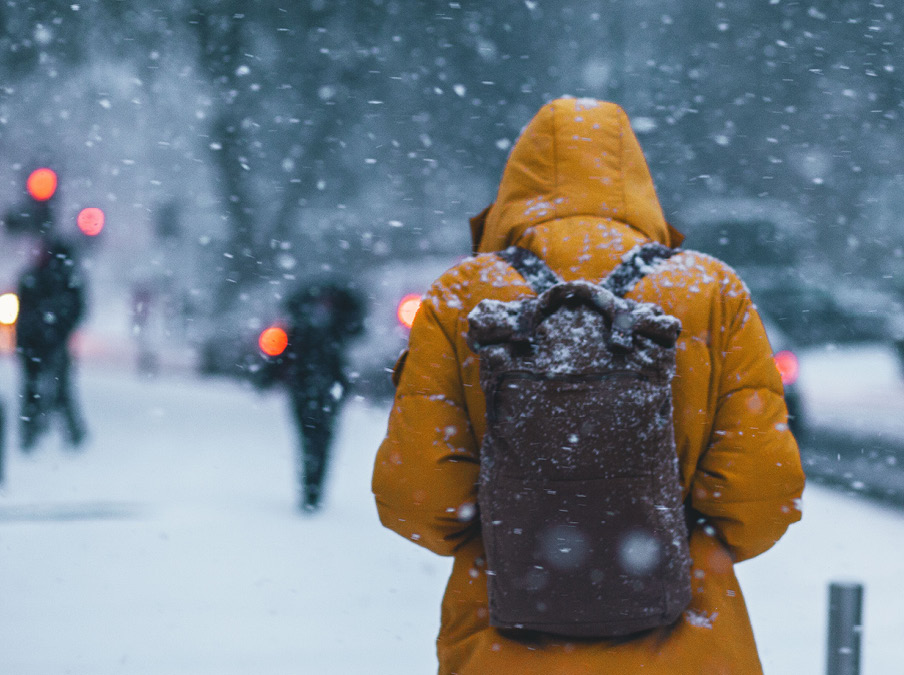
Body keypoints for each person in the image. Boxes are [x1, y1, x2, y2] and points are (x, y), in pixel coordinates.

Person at [372, 98, 806, 673]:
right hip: (690, 646)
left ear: (515, 185)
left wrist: (522, 527)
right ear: (636, 181)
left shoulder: (461, 297)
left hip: (501, 644)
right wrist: (662, 537)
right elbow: (761, 495)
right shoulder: (711, 291)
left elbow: (415, 500)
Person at [264, 280, 365, 513]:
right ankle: (312, 490)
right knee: (315, 440)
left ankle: (312, 490)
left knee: (315, 440)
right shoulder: (326, 326)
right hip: (316, 388)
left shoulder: (316, 324)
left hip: (315, 388)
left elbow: (282, 353)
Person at [16, 236, 87, 451]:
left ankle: (33, 433)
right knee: (54, 388)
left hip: (39, 342)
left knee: (43, 389)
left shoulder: (39, 277)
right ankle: (63, 433)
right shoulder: (61, 279)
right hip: (42, 342)